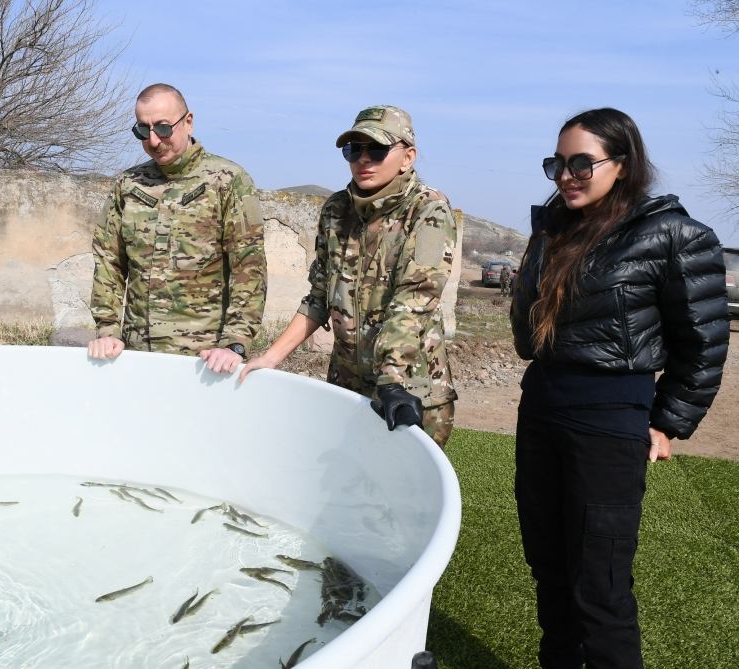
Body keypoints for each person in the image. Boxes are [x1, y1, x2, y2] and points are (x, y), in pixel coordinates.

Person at [511, 108, 729, 669]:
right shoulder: (552, 229)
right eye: (557, 163)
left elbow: (702, 342)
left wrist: (667, 420)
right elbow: (529, 329)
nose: (567, 175)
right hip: (541, 407)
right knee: (548, 566)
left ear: (623, 164)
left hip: (609, 418)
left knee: (599, 585)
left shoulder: (673, 234)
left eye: (582, 163)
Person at [239, 105, 458, 448]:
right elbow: (319, 296)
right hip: (347, 390)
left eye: (377, 149)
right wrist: (271, 357)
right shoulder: (336, 210)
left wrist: (391, 379)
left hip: (408, 392)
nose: (363, 159)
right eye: (354, 150)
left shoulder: (428, 210)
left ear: (407, 157)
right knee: (345, 495)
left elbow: (415, 300)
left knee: (401, 498)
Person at [87, 83, 267, 374]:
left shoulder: (227, 181)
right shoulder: (128, 185)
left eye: (163, 128)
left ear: (188, 121)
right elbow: (109, 262)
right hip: (136, 355)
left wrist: (235, 342)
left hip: (205, 360)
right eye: (143, 131)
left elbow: (249, 267)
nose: (154, 141)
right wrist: (108, 329)